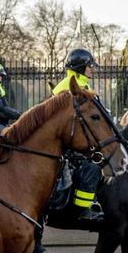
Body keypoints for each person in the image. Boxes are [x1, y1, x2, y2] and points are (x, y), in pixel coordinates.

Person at [52, 48, 104, 223]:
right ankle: (83, 208)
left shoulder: (84, 85)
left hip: (80, 137)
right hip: (67, 142)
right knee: (93, 166)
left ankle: (96, 200)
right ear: (81, 67)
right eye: (90, 66)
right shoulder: (66, 86)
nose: (92, 69)